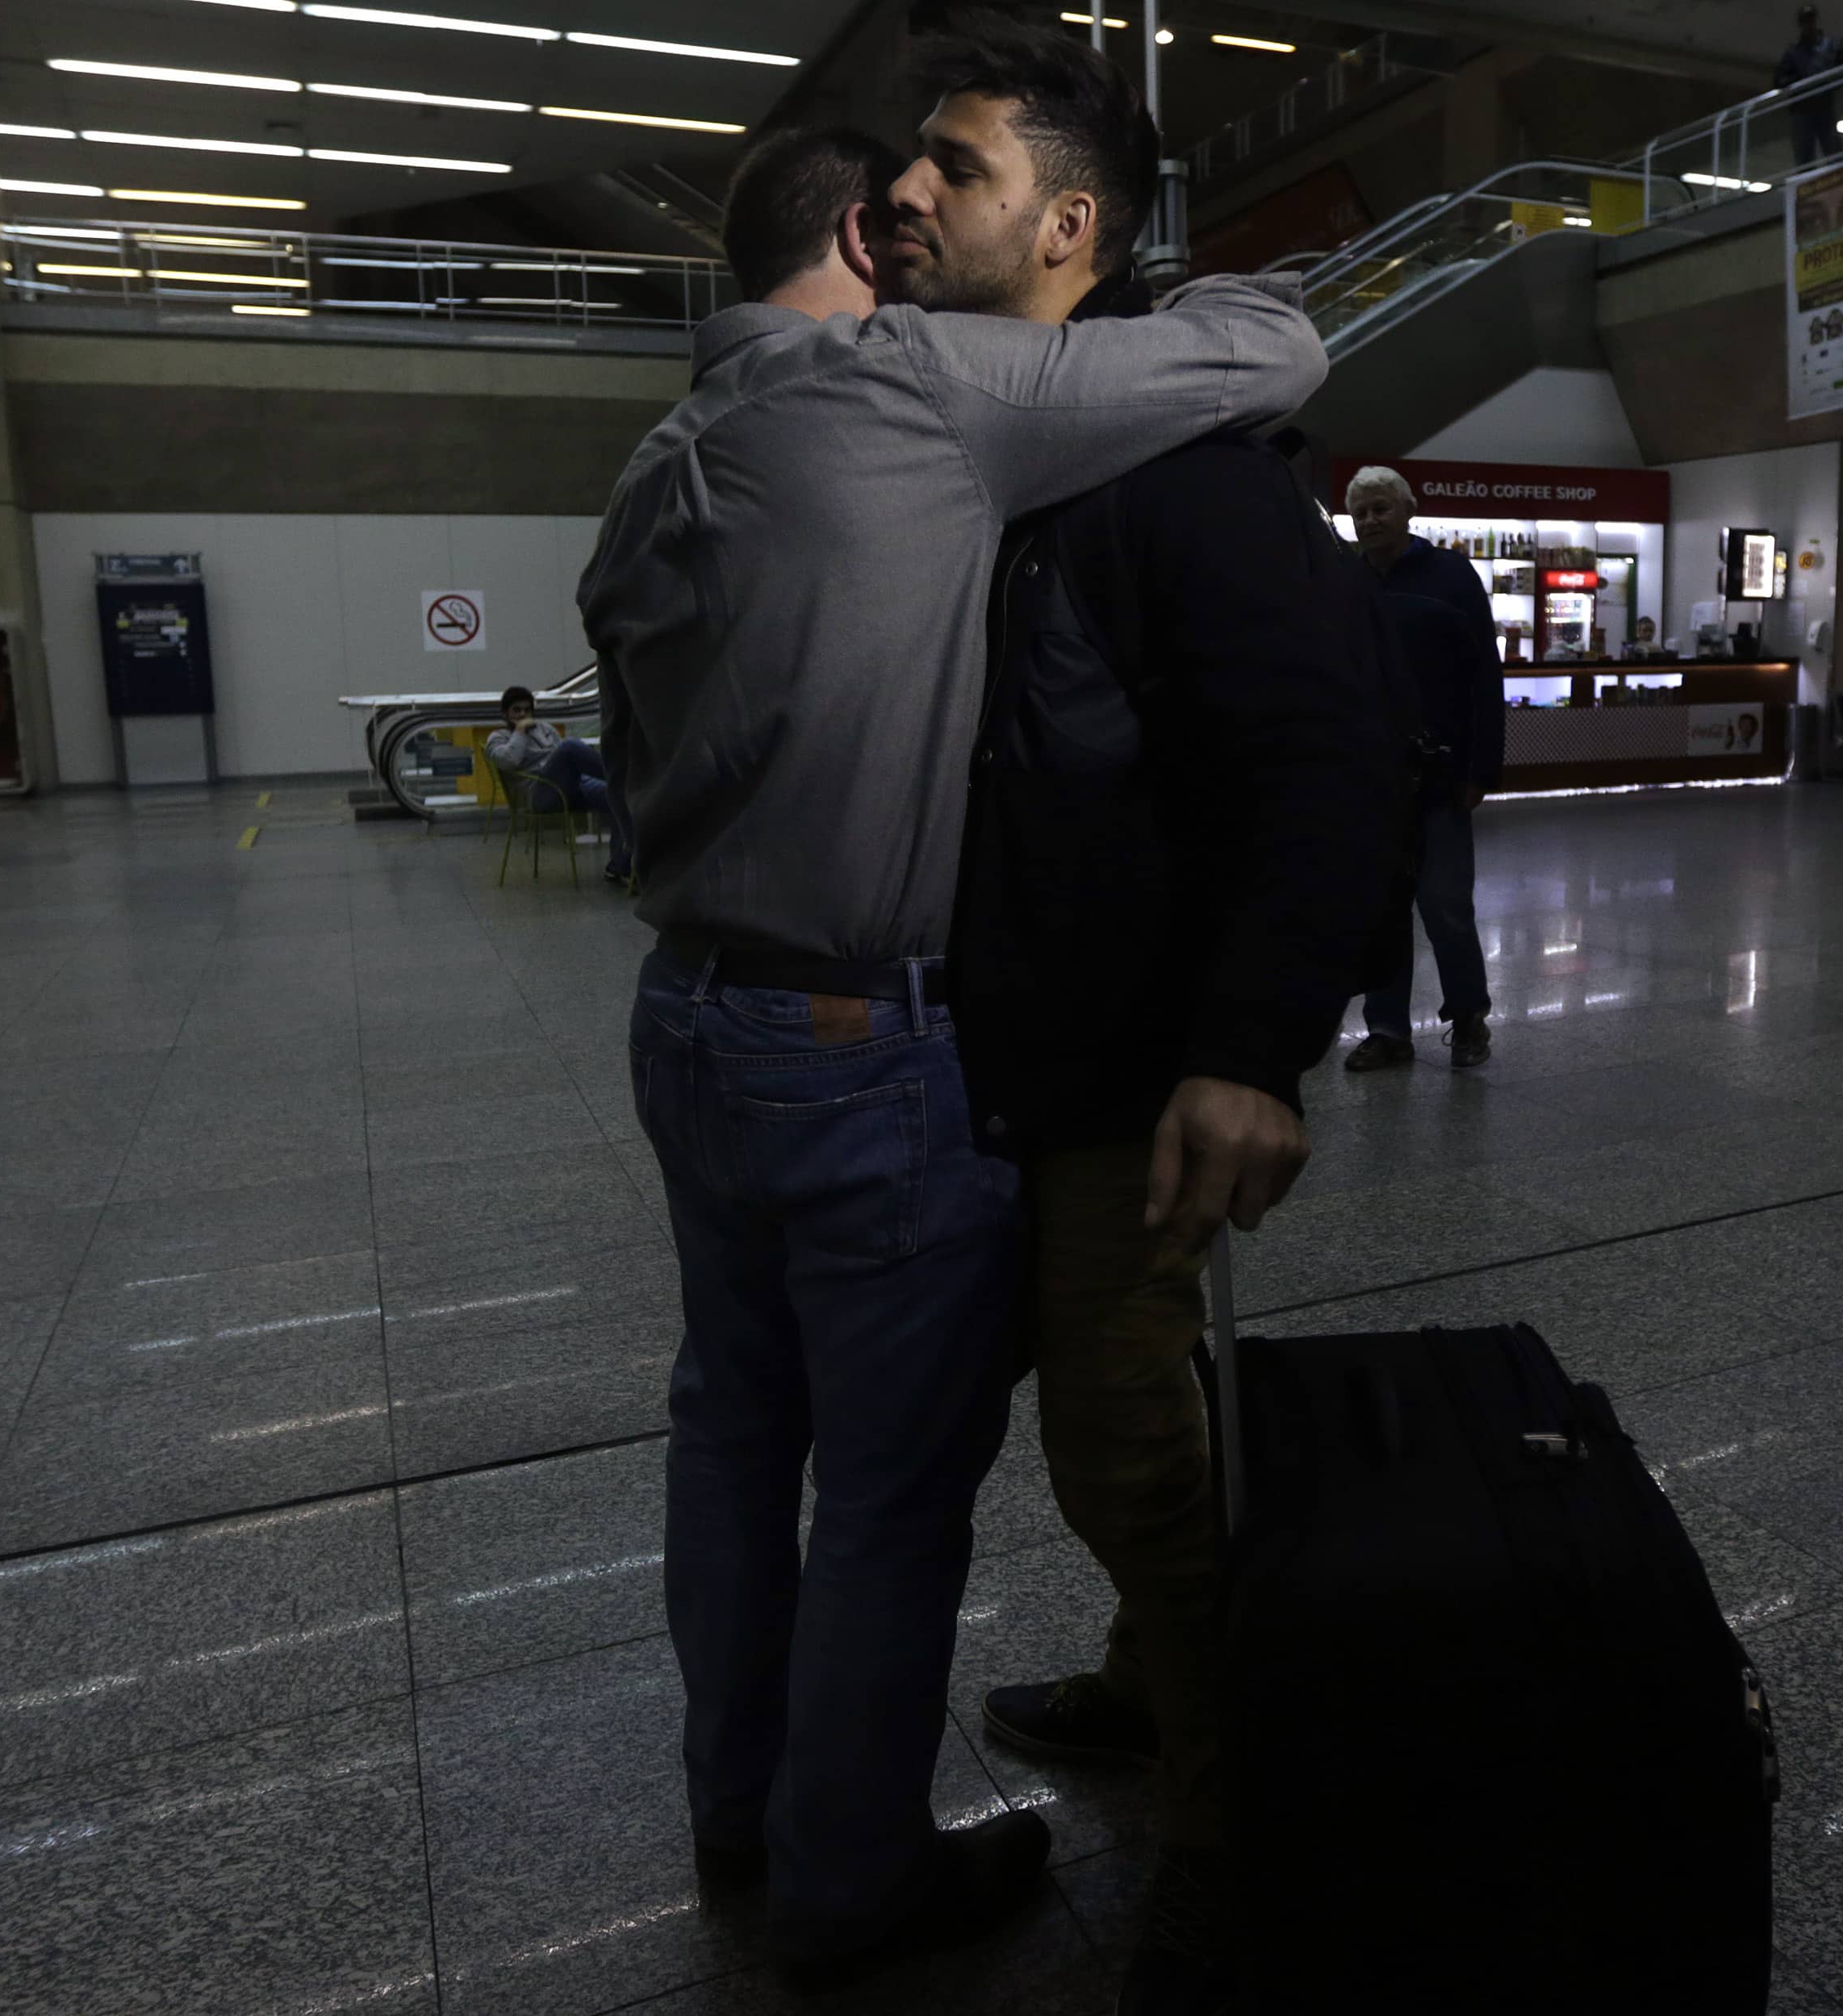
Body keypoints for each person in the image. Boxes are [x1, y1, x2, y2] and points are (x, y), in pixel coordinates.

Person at [579, 102, 1326, 1984]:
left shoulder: (663, 450)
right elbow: (1280, 341)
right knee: (894, 1492)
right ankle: (852, 1884)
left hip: (688, 1016)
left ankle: (739, 1803)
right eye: (899, 214)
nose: (918, 225)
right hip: (854, 1035)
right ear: (859, 255)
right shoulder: (905, 390)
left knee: (733, 1441)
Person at [901, 23, 1402, 2012]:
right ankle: (1142, 1685)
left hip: (1129, 1070)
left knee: (1130, 1448)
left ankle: (1232, 1817)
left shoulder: (1183, 479)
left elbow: (1332, 756)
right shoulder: (1000, 461)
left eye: (956, 167)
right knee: (1105, 1430)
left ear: (1069, 226)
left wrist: (1248, 1042)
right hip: (1000, 1055)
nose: (912, 196)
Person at [1343, 465, 1502, 1071]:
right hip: (1369, 780)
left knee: (1444, 905)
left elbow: (1485, 678)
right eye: (1361, 512)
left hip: (1439, 775)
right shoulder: (1346, 581)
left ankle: (1469, 1019)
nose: (1371, 520)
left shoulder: (1452, 577)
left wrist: (1482, 769)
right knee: (1381, 908)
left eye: (1382, 508)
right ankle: (1387, 1030)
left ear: (1409, 510)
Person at [486, 683, 628, 882]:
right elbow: (509, 761)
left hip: (573, 787)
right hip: (540, 794)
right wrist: (519, 731)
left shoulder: (546, 729)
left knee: (619, 795)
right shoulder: (498, 738)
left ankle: (619, 866)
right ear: (505, 713)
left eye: (527, 710)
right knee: (570, 746)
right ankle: (624, 777)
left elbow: (564, 761)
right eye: (516, 710)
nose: (523, 714)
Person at [1777, 6, 1841, 165]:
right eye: (1805, 22)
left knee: (1833, 149)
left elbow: (1839, 69)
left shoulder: (1829, 46)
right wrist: (1800, 81)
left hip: (1824, 106)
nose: (1808, 26)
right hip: (1803, 109)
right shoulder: (1793, 53)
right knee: (1804, 155)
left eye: (1810, 21)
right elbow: (1779, 80)